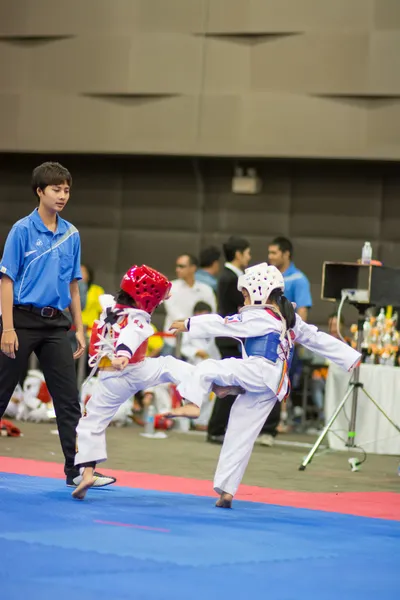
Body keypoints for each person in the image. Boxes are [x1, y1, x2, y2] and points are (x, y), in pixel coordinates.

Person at [165, 263, 361, 508]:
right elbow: (315, 337)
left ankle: (192, 403)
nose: (244, 297)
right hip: (272, 384)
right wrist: (349, 356)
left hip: (259, 370)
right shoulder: (289, 317)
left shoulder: (259, 315)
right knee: (239, 431)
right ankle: (226, 491)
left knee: (208, 368)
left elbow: (225, 324)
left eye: (246, 292)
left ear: (260, 290)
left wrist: (190, 324)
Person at [0, 161, 115, 489]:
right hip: (20, 322)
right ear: (40, 191)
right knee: (2, 392)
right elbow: (5, 281)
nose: (63, 195)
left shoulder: (71, 233)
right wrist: (7, 328)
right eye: (56, 189)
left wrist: (78, 328)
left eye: (66, 190)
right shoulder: (22, 230)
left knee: (68, 401)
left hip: (56, 327)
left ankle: (77, 470)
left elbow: (73, 285)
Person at [72, 264, 194, 500]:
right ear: (146, 298)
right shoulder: (136, 317)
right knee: (170, 365)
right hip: (133, 368)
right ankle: (206, 386)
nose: (158, 303)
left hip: (108, 378)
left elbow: (113, 307)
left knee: (91, 423)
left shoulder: (111, 309)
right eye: (157, 298)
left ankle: (87, 473)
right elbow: (131, 334)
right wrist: (123, 354)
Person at [261, 236, 313, 443]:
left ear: (286, 254)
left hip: (286, 342)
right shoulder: (267, 277)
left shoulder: (298, 279)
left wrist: (293, 339)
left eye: (274, 253)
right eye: (269, 252)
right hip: (266, 338)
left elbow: (302, 311)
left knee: (279, 382)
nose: (270, 256)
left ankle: (274, 425)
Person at [207, 236, 251, 444]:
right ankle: (216, 428)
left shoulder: (230, 276)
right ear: (238, 254)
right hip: (230, 337)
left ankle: (218, 427)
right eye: (247, 253)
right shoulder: (231, 278)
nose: (249, 257)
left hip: (230, 336)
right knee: (229, 384)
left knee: (231, 383)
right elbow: (240, 307)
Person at [162, 253, 217, 355]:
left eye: (181, 266)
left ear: (193, 268)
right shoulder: (171, 288)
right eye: (177, 266)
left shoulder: (206, 290)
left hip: (198, 342)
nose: (177, 269)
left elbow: (212, 315)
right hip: (173, 340)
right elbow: (176, 317)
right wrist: (198, 321)